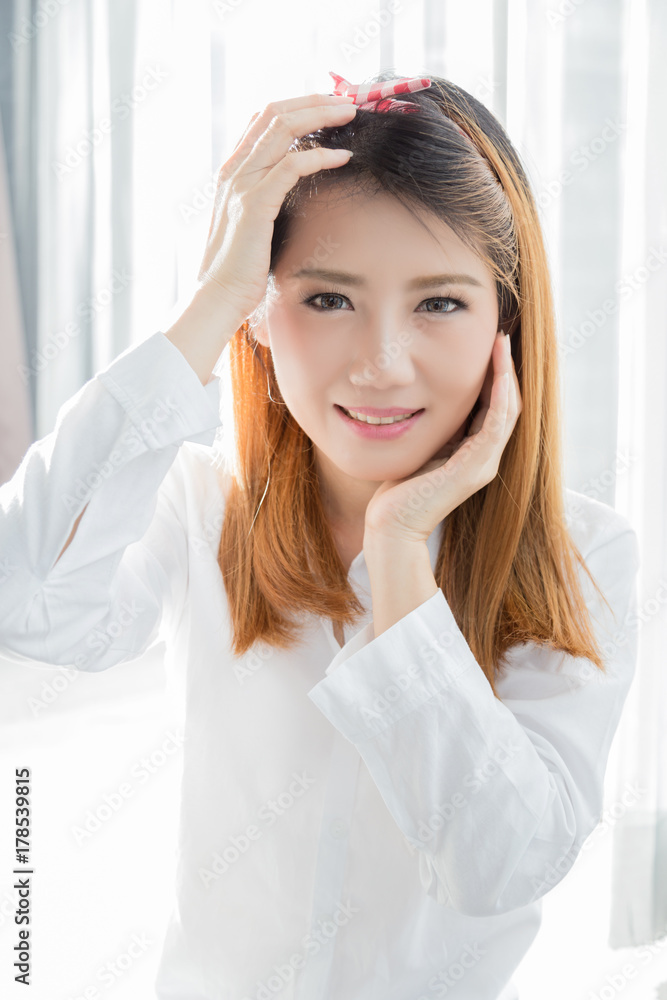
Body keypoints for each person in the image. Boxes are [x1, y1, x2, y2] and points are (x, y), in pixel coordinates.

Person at [0, 69, 640, 1000]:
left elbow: (495, 865)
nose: (381, 366)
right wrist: (209, 302)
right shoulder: (200, 503)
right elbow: (25, 604)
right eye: (328, 300)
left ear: (507, 317)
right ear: (260, 308)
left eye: (440, 303)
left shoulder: (586, 556)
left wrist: (398, 556)